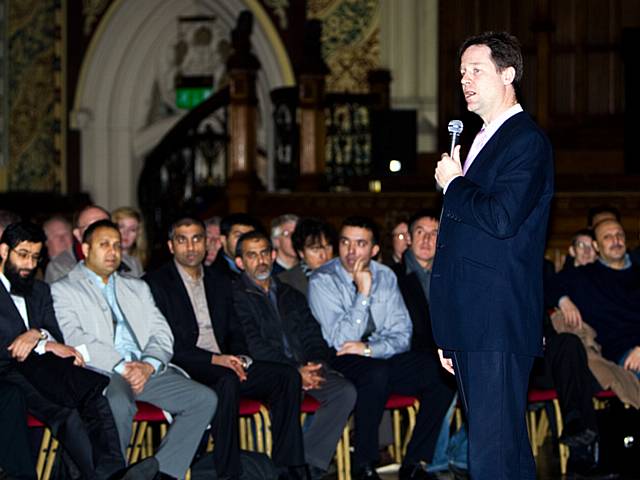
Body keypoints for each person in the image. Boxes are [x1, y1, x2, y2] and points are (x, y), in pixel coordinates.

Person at [432, 31, 554, 479]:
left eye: (476, 70)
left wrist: (455, 183)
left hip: (497, 320)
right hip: (472, 321)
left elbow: (502, 219)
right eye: (461, 72)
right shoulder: (483, 138)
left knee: (494, 453)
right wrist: (449, 327)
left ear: (508, 74)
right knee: (496, 447)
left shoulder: (524, 141)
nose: (465, 80)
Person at [51, 219, 217, 480]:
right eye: (104, 245)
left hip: (145, 370)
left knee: (203, 399)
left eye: (117, 245)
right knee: (117, 401)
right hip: (104, 371)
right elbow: (75, 337)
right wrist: (123, 367)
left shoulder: (137, 287)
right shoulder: (64, 289)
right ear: (85, 248)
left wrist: (149, 364)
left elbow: (162, 333)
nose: (113, 251)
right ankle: (114, 474)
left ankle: (158, 474)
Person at [145, 216, 306, 480]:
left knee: (286, 376)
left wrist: (240, 358)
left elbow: (236, 330)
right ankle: (228, 472)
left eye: (197, 238)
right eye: (182, 240)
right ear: (171, 246)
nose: (191, 247)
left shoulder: (220, 281)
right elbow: (169, 343)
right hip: (186, 365)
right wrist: (217, 360)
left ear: (207, 244)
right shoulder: (156, 283)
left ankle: (288, 468)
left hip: (226, 363)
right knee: (227, 381)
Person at [0, 222, 157, 480]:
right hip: (8, 372)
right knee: (68, 414)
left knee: (95, 393)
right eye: (23, 255)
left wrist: (37, 335)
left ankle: (116, 472)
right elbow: (12, 347)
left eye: (35, 257)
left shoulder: (39, 290)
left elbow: (53, 331)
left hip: (43, 366)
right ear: (4, 251)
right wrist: (30, 338)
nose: (29, 264)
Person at [308, 216, 455, 480]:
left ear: (374, 250)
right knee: (375, 374)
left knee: (440, 372)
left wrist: (369, 349)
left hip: (376, 353)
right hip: (341, 360)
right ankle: (364, 463)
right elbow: (340, 340)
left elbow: (402, 334)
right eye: (345, 243)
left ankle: (415, 461)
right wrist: (363, 295)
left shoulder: (385, 276)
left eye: (360, 244)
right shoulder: (323, 280)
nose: (352, 251)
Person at [233, 230, 356, 479]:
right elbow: (252, 345)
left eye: (265, 253)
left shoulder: (291, 295)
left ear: (274, 254)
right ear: (240, 262)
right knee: (288, 384)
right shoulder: (235, 297)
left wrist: (315, 365)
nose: (261, 260)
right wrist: (294, 370)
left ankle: (309, 462)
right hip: (267, 373)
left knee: (344, 392)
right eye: (252, 255)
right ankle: (288, 466)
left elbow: (314, 335)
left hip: (304, 369)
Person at [390, 210, 466, 477]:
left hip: (444, 353)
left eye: (434, 233)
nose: (426, 239)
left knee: (485, 370)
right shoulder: (392, 275)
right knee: (445, 373)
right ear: (409, 238)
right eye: (420, 232)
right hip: (405, 358)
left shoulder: (451, 274)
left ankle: (462, 453)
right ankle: (430, 459)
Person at [554, 219, 640, 375]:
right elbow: (545, 283)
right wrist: (563, 301)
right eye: (607, 237)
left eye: (619, 234)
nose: (616, 240)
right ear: (596, 245)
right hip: (623, 354)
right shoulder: (584, 277)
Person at [45, 204, 110, 283]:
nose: (100, 232)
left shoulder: (126, 264)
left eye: (105, 225)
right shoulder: (60, 267)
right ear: (78, 235)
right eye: (91, 227)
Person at [279, 217, 334, 297]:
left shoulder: (343, 274)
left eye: (328, 247)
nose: (324, 255)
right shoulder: (285, 281)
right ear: (301, 252)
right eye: (315, 249)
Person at [209, 213, 263, 281]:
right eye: (238, 236)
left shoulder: (263, 266)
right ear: (223, 239)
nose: (244, 241)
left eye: (249, 236)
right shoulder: (212, 276)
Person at [112, 207, 148, 277]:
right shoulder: (104, 259)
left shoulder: (136, 262)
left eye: (132, 230)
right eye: (121, 227)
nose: (126, 233)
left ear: (138, 234)